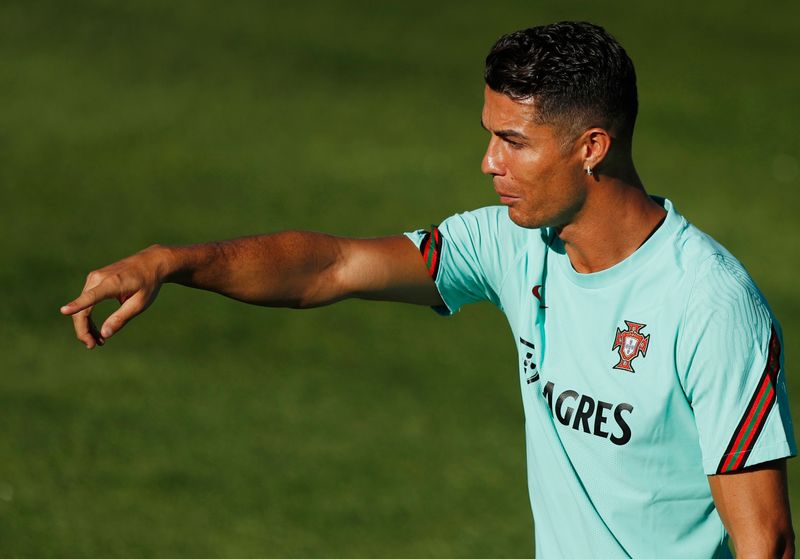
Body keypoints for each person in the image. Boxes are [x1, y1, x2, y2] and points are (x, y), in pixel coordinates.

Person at [61, 21, 795, 558]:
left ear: (591, 147)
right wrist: (171, 260)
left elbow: (765, 539)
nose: (487, 162)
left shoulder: (709, 305)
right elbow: (331, 266)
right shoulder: (511, 243)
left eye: (512, 141)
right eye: (489, 134)